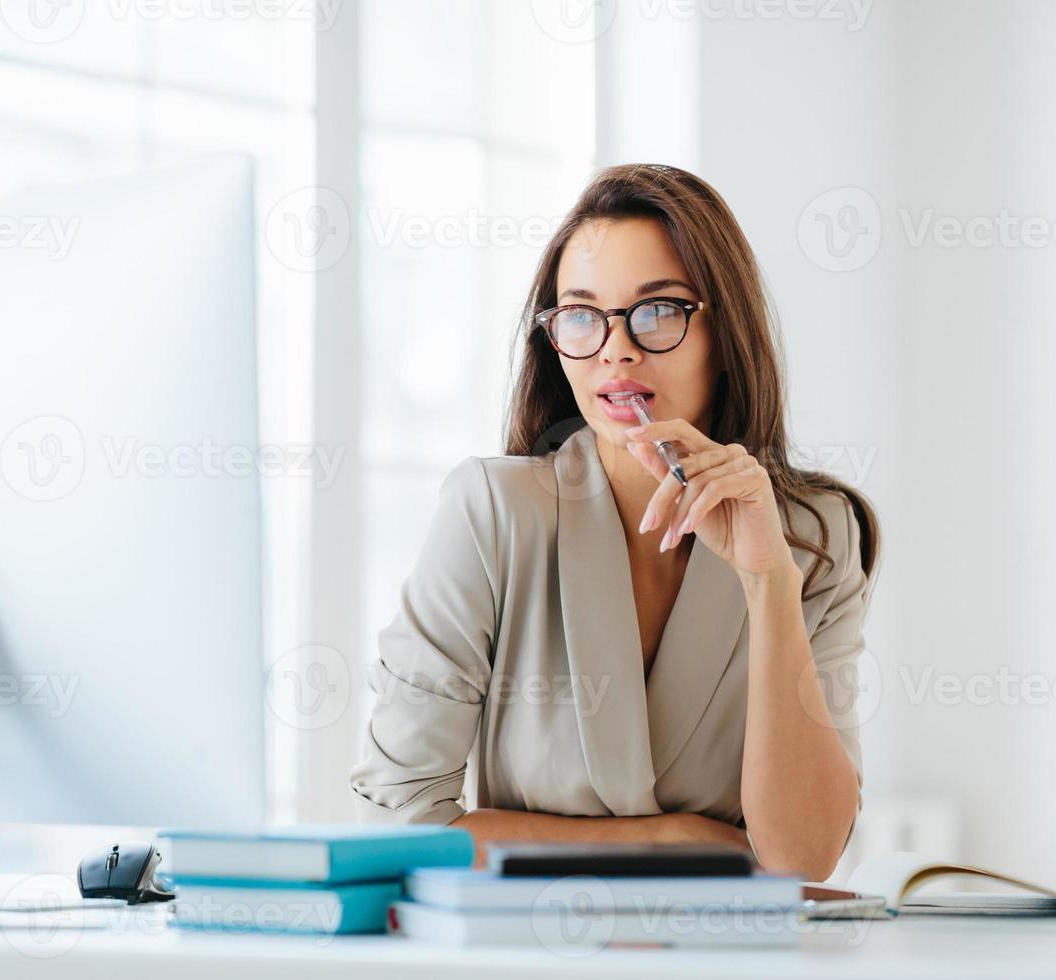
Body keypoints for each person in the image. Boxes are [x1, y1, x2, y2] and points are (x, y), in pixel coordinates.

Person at [349, 163, 881, 881]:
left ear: (725, 333)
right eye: (581, 315)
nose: (616, 348)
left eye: (658, 310)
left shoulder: (817, 535)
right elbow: (398, 824)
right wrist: (668, 847)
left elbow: (803, 857)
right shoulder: (494, 513)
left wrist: (769, 584)